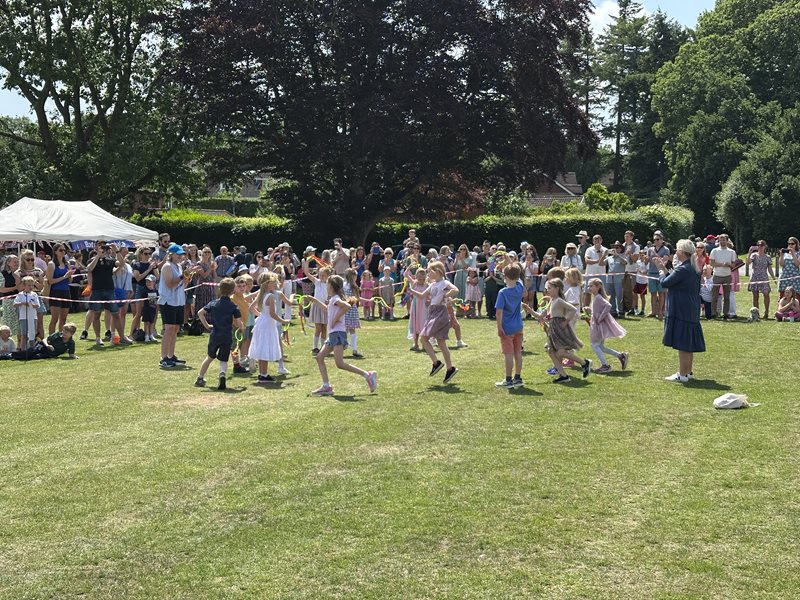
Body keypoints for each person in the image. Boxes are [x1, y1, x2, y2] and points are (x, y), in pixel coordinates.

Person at [307, 275, 378, 396]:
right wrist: (314, 300)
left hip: (337, 333)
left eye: (327, 284)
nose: (326, 287)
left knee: (339, 363)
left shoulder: (335, 299)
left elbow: (347, 306)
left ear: (331, 286)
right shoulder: (333, 299)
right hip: (333, 334)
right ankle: (326, 386)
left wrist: (336, 318)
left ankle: (368, 375)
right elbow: (327, 309)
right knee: (319, 357)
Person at [652, 239, 706, 383]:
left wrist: (660, 270)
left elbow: (665, 283)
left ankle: (682, 374)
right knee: (688, 341)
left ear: (682, 252)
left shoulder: (683, 269)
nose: (676, 252)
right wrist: (664, 268)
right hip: (691, 306)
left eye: (677, 250)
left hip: (682, 306)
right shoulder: (692, 267)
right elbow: (674, 280)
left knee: (683, 342)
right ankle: (687, 372)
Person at [531, 278, 591, 383]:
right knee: (551, 351)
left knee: (560, 352)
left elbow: (573, 309)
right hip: (553, 329)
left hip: (559, 329)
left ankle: (584, 363)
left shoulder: (559, 300)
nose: (547, 290)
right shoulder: (552, 300)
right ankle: (563, 375)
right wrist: (528, 309)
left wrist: (566, 321)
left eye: (549, 288)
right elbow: (541, 315)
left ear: (557, 288)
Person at [410, 261, 459, 384]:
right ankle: (450, 368)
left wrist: (445, 295)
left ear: (438, 271)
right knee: (441, 342)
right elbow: (422, 295)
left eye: (430, 271)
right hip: (432, 312)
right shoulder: (432, 284)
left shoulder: (444, 283)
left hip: (440, 312)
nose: (428, 273)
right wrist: (411, 290)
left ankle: (436, 363)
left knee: (424, 338)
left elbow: (455, 290)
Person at [195, 277, 244, 390]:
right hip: (227, 335)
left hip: (215, 334)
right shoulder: (233, 306)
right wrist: (241, 328)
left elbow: (200, 313)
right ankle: (222, 374)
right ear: (233, 291)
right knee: (223, 359)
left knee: (209, 357)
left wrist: (207, 325)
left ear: (220, 289)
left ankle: (200, 378)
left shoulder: (214, 303)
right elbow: (238, 322)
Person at [86, 243, 131, 346]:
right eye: (101, 247)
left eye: (105, 248)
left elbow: (121, 264)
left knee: (116, 314)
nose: (104, 250)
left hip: (109, 290)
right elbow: (89, 268)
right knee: (96, 314)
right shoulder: (93, 260)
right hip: (97, 291)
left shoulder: (110, 260)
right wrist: (98, 256)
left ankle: (122, 337)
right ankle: (98, 338)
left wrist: (117, 251)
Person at [248, 272, 288, 383]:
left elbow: (251, 308)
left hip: (262, 323)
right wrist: (283, 321)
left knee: (262, 347)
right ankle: (264, 375)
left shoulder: (261, 295)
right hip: (267, 325)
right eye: (273, 282)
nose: (275, 284)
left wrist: (261, 316)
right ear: (266, 284)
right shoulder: (270, 296)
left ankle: (262, 374)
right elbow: (273, 314)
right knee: (265, 347)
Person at [158, 243, 193, 368]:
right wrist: (183, 276)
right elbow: (170, 284)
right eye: (178, 254)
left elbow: (181, 286)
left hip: (178, 301)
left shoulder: (178, 266)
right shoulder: (167, 266)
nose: (180, 256)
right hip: (168, 301)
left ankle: (171, 355)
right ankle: (164, 357)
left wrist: (188, 277)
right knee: (169, 329)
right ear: (171, 254)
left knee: (176, 329)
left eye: (181, 254)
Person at [586, 278, 628, 374]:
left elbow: (608, 305)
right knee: (601, 346)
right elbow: (597, 309)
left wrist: (600, 317)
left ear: (598, 287)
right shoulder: (596, 297)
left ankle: (605, 365)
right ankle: (621, 356)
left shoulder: (598, 297)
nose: (589, 288)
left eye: (591, 286)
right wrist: (590, 311)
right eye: (588, 286)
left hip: (599, 325)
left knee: (594, 345)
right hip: (597, 324)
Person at [494, 264, 525, 389]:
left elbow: (499, 312)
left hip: (507, 327)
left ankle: (508, 379)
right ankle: (517, 377)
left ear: (505, 276)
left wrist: (499, 327)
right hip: (518, 326)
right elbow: (517, 274)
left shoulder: (502, 292)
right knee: (518, 352)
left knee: (508, 354)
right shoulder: (520, 287)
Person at [46, 244, 75, 335]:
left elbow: (70, 280)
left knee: (63, 319)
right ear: (55, 252)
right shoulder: (52, 264)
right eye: (60, 250)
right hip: (55, 292)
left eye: (64, 250)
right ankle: (51, 337)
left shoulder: (67, 264)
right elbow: (50, 281)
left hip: (66, 291)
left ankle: (62, 337)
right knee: (54, 319)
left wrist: (70, 276)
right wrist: (64, 277)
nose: (63, 252)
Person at [129, 247, 159, 339]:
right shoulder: (136, 264)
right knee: (138, 313)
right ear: (141, 254)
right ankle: (131, 334)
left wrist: (154, 267)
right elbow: (138, 278)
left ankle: (150, 333)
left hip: (151, 290)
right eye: (146, 254)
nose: (148, 256)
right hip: (141, 289)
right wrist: (149, 269)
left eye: (149, 254)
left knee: (152, 311)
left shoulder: (152, 264)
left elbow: (157, 277)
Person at [302, 260, 331, 355]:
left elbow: (331, 295)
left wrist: (329, 300)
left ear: (328, 276)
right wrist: (306, 263)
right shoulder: (317, 282)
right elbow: (307, 273)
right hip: (317, 307)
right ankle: (315, 347)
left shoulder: (329, 284)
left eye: (323, 275)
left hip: (325, 307)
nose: (321, 277)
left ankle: (323, 347)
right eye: (320, 275)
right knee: (318, 328)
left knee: (324, 328)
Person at [11, 323, 78, 360]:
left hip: (48, 354)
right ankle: (11, 355)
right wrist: (48, 345)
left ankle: (16, 357)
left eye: (66, 332)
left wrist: (74, 357)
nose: (63, 333)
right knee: (30, 353)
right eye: (63, 331)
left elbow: (71, 354)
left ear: (71, 334)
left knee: (35, 357)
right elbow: (44, 340)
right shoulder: (57, 335)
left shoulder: (71, 343)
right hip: (42, 346)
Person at [709, 233, 737, 319]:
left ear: (727, 241)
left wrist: (729, 264)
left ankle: (726, 313)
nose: (722, 242)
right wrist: (722, 264)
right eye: (720, 240)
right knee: (714, 296)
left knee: (727, 296)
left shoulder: (732, 252)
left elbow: (734, 265)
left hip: (727, 276)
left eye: (723, 240)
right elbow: (712, 263)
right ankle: (713, 313)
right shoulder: (714, 251)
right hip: (717, 275)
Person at [748, 240, 776, 319]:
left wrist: (773, 278)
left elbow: (770, 269)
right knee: (755, 296)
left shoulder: (767, 257)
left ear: (765, 246)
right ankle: (756, 313)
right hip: (755, 277)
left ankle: (766, 312)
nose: (760, 247)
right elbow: (748, 263)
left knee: (766, 294)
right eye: (759, 245)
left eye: (762, 245)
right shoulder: (754, 255)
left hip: (764, 277)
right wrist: (749, 252)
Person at [647, 233, 671, 318]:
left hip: (661, 273)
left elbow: (665, 262)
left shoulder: (666, 249)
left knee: (661, 293)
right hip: (651, 273)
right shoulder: (650, 249)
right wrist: (645, 259)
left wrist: (657, 258)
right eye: (654, 240)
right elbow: (647, 261)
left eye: (657, 239)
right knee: (653, 293)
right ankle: (653, 311)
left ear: (662, 240)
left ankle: (661, 312)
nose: (655, 241)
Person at [14, 276, 40, 349]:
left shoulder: (34, 295)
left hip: (33, 317)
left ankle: (32, 349)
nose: (31, 287)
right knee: (24, 334)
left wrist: (33, 305)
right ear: (24, 285)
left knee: (32, 334)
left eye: (32, 285)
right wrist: (22, 303)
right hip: (23, 317)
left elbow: (37, 305)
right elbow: (15, 304)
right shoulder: (20, 295)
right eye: (28, 285)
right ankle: (22, 349)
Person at [407, 267, 429, 351]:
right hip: (416, 306)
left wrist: (429, 300)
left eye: (423, 279)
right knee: (415, 323)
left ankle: (424, 344)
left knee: (423, 323)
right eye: (419, 279)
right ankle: (415, 344)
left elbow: (430, 295)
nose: (421, 281)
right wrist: (410, 267)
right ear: (416, 277)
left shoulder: (427, 285)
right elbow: (406, 274)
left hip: (424, 307)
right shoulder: (414, 284)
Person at [583, 234, 608, 308]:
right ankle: (586, 309)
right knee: (587, 292)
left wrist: (600, 256)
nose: (597, 241)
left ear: (601, 240)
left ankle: (601, 308)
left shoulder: (605, 250)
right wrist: (598, 260)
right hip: (590, 274)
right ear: (593, 241)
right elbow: (587, 261)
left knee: (601, 292)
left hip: (601, 274)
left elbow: (604, 263)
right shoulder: (589, 249)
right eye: (595, 240)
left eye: (598, 239)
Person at [343, 268, 363, 357]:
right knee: (352, 330)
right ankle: (354, 349)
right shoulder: (353, 286)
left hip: (344, 309)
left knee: (345, 329)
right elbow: (358, 298)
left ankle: (344, 345)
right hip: (351, 310)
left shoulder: (343, 285)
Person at [0, 254, 20, 344]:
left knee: (19, 325)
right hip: (8, 302)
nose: (17, 263)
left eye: (18, 262)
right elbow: (1, 289)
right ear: (8, 263)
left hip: (19, 301)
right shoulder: (2, 274)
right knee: (8, 325)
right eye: (14, 262)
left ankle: (19, 345)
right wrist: (14, 288)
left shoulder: (17, 274)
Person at [621, 230, 640, 315]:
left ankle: (634, 308)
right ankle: (625, 307)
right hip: (623, 270)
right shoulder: (622, 246)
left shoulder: (636, 246)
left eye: (628, 236)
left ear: (632, 237)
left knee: (633, 290)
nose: (626, 238)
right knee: (624, 290)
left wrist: (630, 254)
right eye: (625, 236)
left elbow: (635, 259)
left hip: (632, 270)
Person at [141, 275, 159, 341]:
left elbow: (157, 300)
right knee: (147, 322)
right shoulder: (144, 291)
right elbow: (142, 301)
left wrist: (157, 308)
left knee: (152, 322)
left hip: (153, 309)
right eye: (147, 281)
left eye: (150, 281)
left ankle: (151, 335)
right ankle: (146, 336)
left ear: (154, 282)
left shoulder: (156, 291)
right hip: (146, 309)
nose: (148, 283)